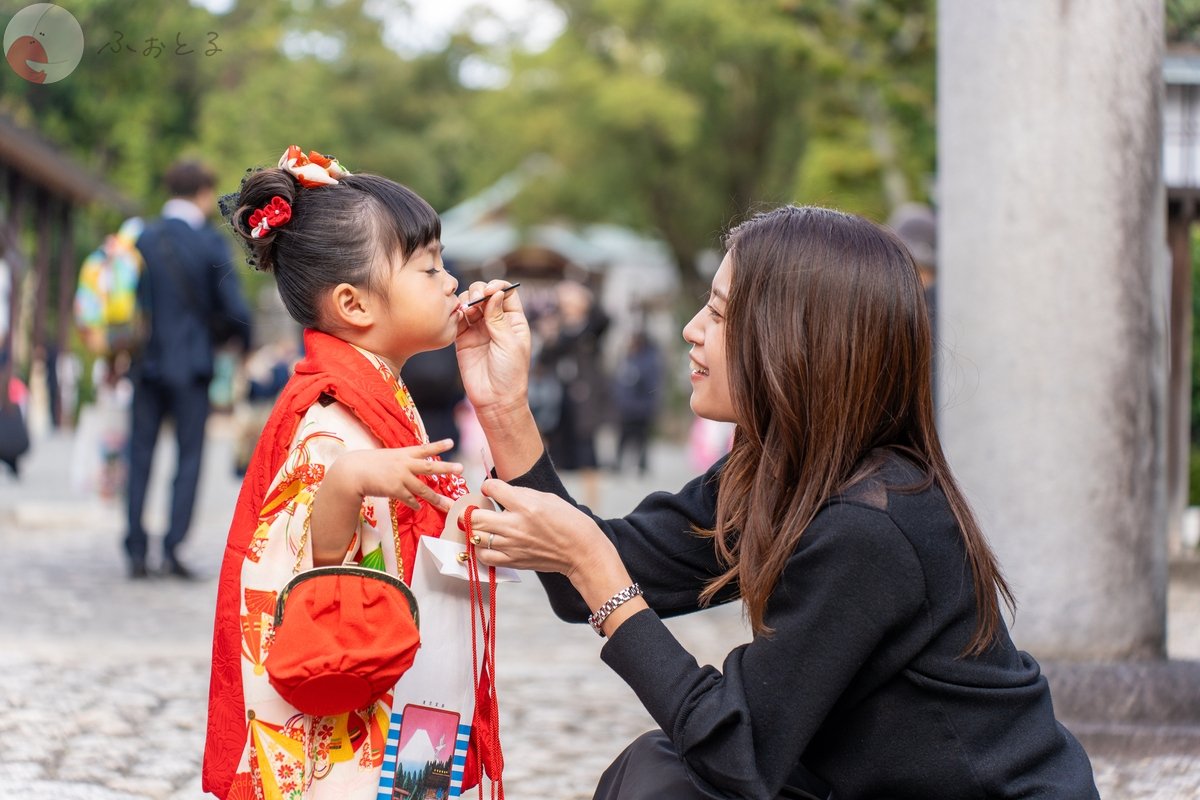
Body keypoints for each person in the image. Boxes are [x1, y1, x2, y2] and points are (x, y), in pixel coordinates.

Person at [453, 205, 1100, 799]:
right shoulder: (782, 471)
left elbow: (736, 753)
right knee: (659, 770)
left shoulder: (871, 524)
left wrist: (600, 575)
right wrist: (505, 409)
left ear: (796, 339)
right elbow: (582, 580)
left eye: (718, 314)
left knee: (668, 781)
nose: (691, 330)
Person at [202, 146, 469, 800]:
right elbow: (302, 563)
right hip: (350, 683)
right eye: (429, 267)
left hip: (391, 657)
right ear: (353, 304)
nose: (451, 281)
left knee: (413, 774)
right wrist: (346, 481)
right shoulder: (329, 420)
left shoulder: (373, 394)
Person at [124, 160, 252, 579]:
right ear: (203, 192)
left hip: (146, 362)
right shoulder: (209, 243)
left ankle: (136, 548)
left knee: (139, 455)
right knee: (189, 458)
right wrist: (240, 341)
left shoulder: (142, 237)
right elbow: (233, 308)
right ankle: (173, 547)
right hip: (193, 365)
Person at [611, 328, 662, 475]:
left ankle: (641, 464)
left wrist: (647, 406)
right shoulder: (627, 358)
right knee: (623, 436)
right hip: (626, 408)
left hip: (641, 409)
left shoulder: (649, 361)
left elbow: (651, 386)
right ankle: (619, 463)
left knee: (642, 438)